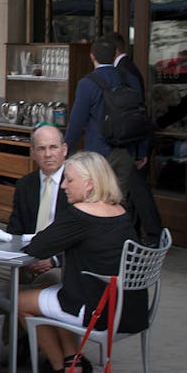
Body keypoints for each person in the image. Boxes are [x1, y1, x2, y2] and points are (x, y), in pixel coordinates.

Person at [15, 151, 149, 373]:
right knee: (51, 290)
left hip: (96, 310)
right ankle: (73, 361)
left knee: (19, 301)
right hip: (128, 308)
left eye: (69, 180)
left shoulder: (81, 214)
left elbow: (36, 247)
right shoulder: (120, 212)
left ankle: (62, 370)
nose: (64, 185)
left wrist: (51, 252)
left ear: (89, 184)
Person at [65, 37, 162, 243]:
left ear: (92, 56)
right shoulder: (130, 79)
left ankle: (98, 243)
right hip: (127, 151)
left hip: (99, 154)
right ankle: (120, 244)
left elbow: (77, 121)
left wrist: (66, 149)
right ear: (115, 55)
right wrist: (142, 151)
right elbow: (139, 117)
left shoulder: (87, 83)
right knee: (120, 202)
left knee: (96, 200)